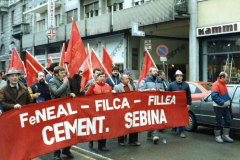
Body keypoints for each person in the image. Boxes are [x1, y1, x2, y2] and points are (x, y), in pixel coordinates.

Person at [49, 66, 76, 160]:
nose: (63, 74)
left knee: (68, 129)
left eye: (64, 72)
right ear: (56, 74)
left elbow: (65, 92)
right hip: (57, 109)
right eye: (61, 72)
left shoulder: (65, 80)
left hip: (65, 108)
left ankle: (66, 149)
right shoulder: (52, 81)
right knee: (58, 131)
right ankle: (56, 153)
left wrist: (70, 94)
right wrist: (64, 84)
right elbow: (56, 93)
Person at [85, 72, 113, 151]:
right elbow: (87, 95)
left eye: (103, 76)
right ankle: (91, 140)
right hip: (94, 110)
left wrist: (113, 93)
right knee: (94, 127)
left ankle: (102, 145)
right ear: (97, 77)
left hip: (105, 111)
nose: (102, 78)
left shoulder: (108, 86)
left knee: (104, 128)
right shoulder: (93, 85)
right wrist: (91, 86)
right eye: (100, 76)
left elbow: (111, 98)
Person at [139, 66, 164, 144]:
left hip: (157, 103)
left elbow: (163, 90)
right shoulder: (144, 81)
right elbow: (141, 90)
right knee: (152, 118)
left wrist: (161, 91)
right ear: (150, 72)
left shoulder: (160, 81)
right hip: (148, 103)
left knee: (154, 118)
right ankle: (154, 135)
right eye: (154, 71)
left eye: (156, 71)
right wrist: (150, 90)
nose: (156, 72)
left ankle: (149, 135)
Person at [114, 74, 140, 146]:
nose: (128, 80)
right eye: (126, 79)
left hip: (130, 108)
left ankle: (133, 140)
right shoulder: (117, 88)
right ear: (121, 80)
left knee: (133, 123)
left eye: (128, 79)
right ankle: (121, 141)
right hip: (122, 109)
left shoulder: (130, 86)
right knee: (122, 124)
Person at [166, 70, 191, 138]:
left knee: (180, 117)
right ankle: (178, 130)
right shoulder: (171, 85)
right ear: (175, 77)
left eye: (180, 76)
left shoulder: (186, 85)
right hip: (174, 105)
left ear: (182, 77)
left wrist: (188, 103)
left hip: (182, 105)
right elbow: (167, 94)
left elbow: (188, 95)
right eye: (178, 76)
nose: (179, 77)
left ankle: (177, 130)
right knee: (177, 117)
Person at [211, 72, 233, 143]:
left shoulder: (223, 84)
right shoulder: (216, 84)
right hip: (218, 107)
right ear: (222, 77)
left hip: (224, 106)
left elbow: (225, 95)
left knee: (228, 120)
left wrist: (228, 100)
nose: (227, 78)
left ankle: (225, 136)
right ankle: (218, 137)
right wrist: (223, 103)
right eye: (226, 77)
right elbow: (214, 96)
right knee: (218, 121)